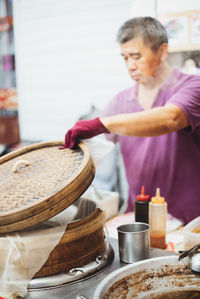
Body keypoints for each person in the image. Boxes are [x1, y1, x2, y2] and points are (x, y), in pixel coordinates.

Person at [62, 17, 200, 224]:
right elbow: (96, 153)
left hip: (189, 219)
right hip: (140, 218)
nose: (130, 66)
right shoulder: (121, 101)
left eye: (136, 56)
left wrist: (99, 124)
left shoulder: (192, 86)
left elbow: (169, 118)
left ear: (162, 51)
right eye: (125, 58)